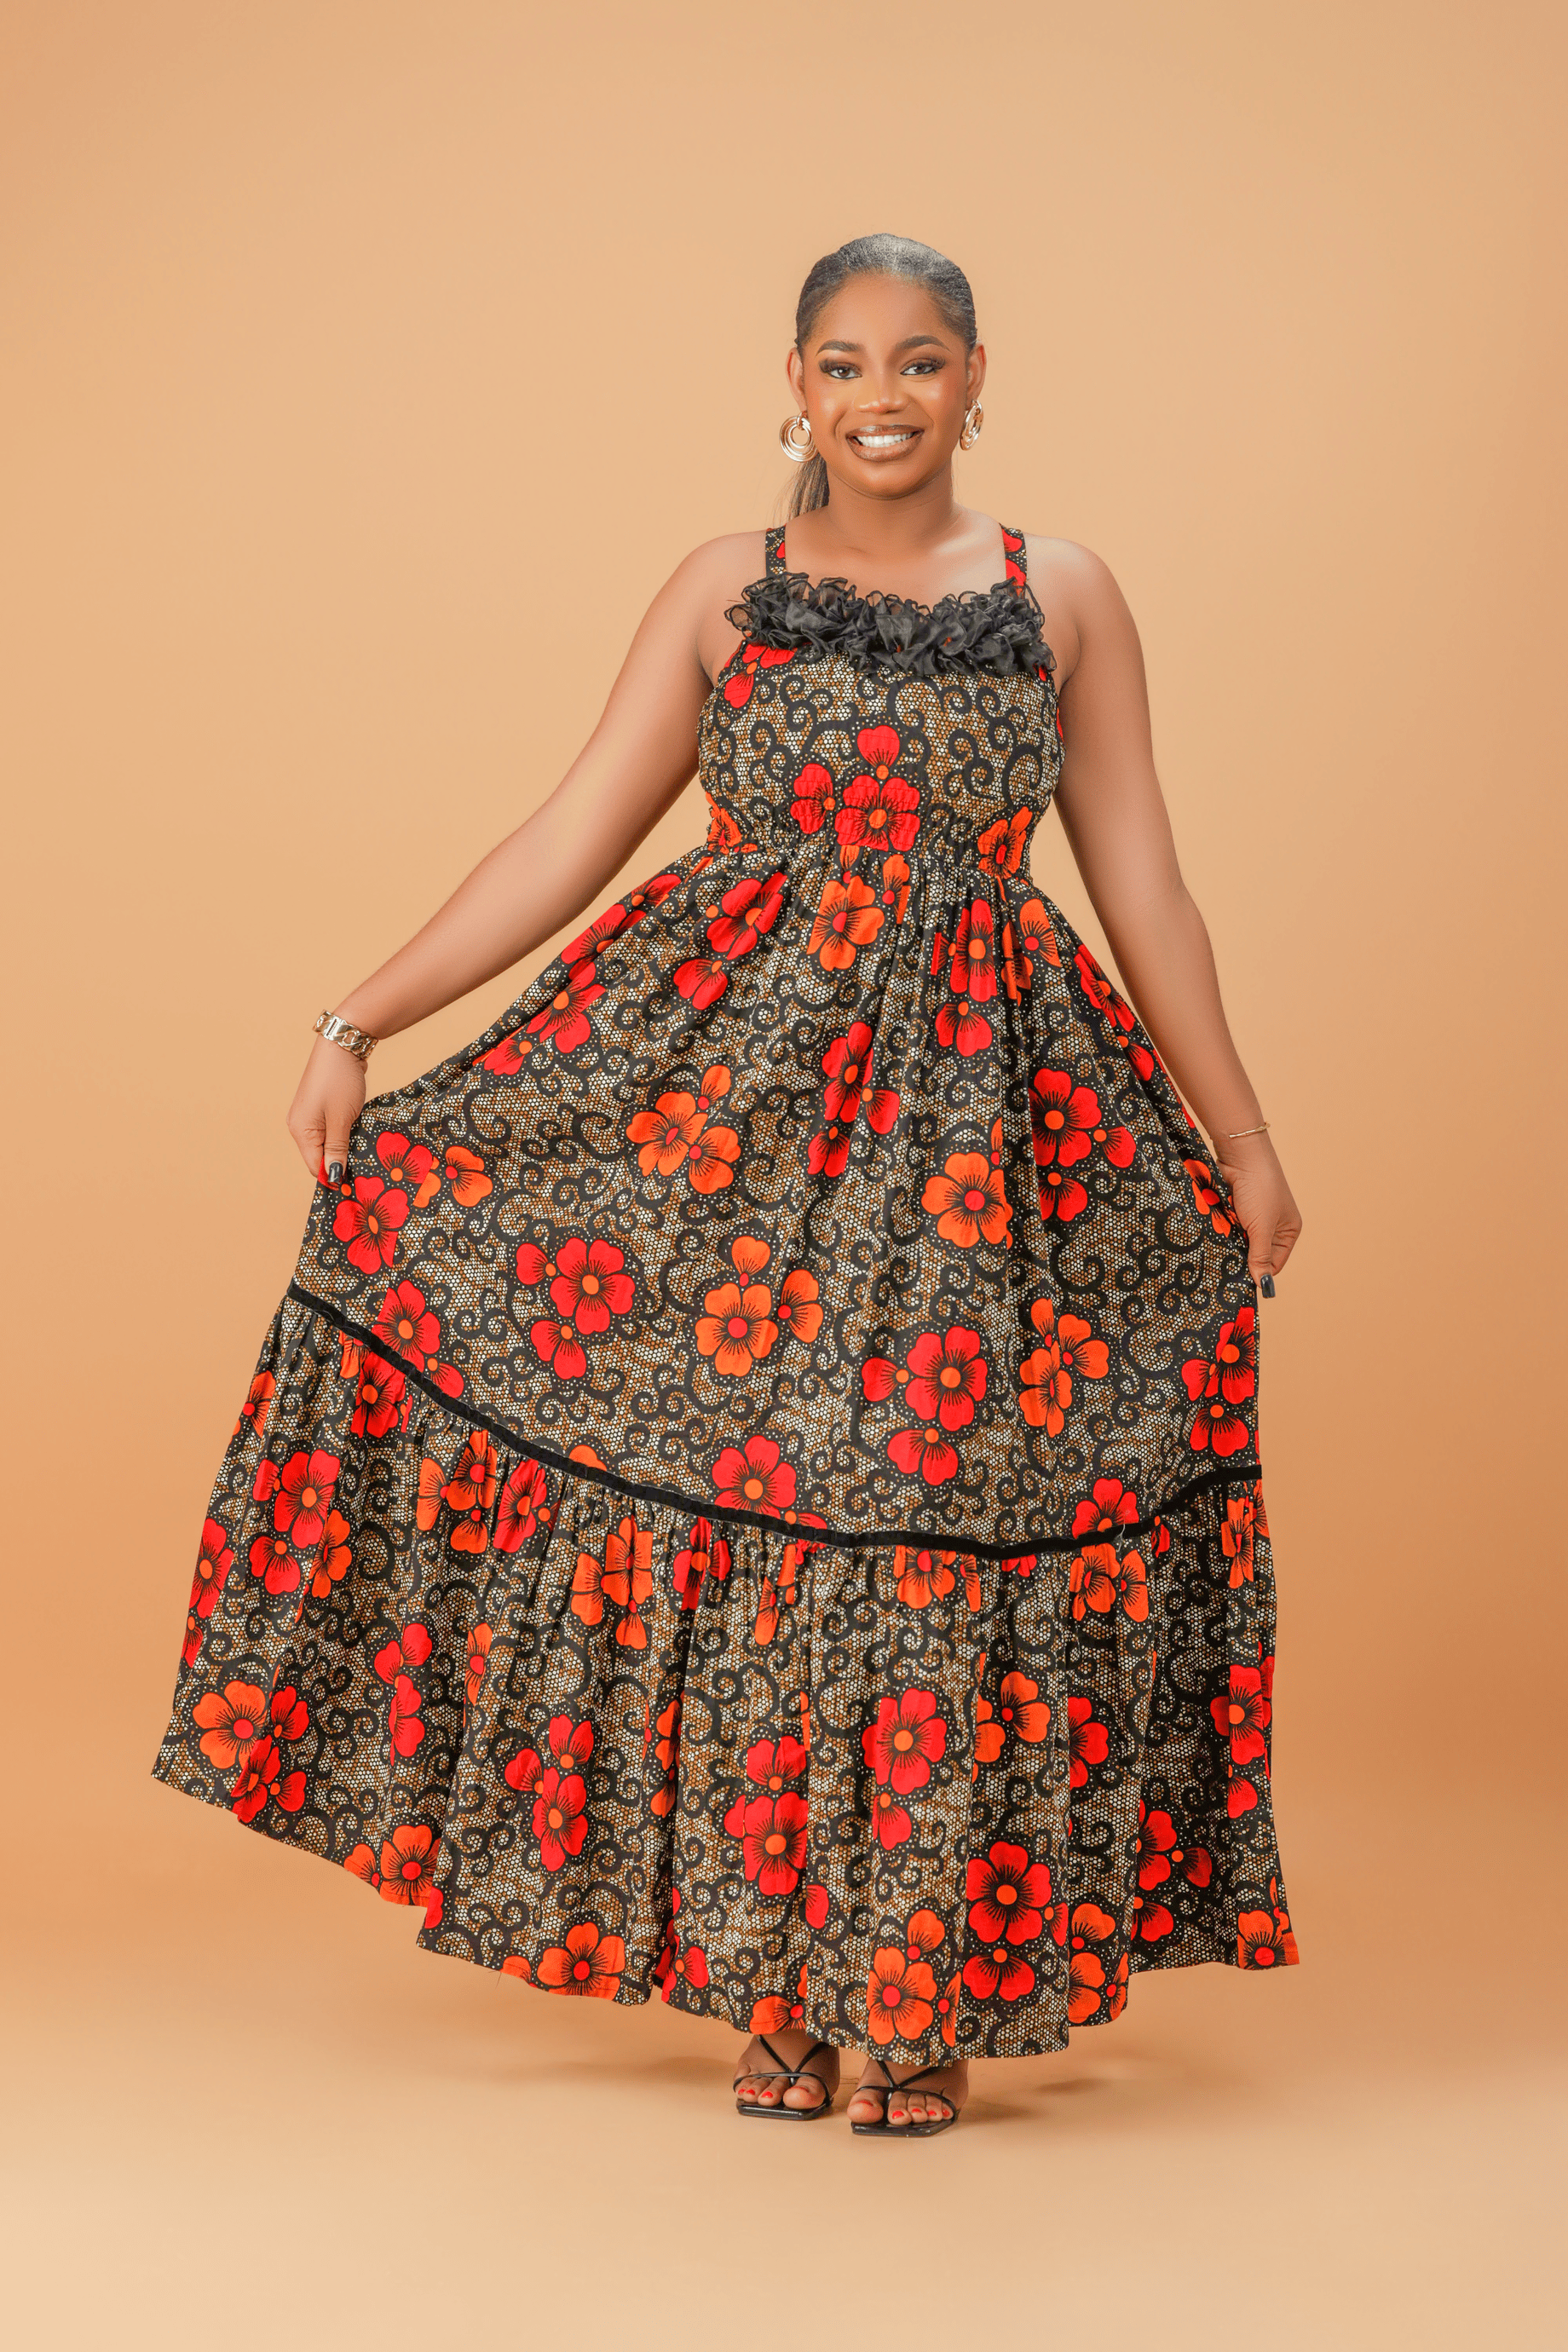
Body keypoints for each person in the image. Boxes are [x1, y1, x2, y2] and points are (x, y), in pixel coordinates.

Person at [154, 233, 1301, 2136]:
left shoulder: (1060, 594)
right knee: (765, 1528)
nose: (880, 397)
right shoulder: (724, 590)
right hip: (730, 1126)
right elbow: (571, 834)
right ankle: (772, 1987)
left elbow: (1143, 885)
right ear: (794, 380)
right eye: (844, 363)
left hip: (979, 1142)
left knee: (924, 1513)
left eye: (916, 362)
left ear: (975, 377)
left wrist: (1246, 1142)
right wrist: (354, 1018)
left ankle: (912, 1988)